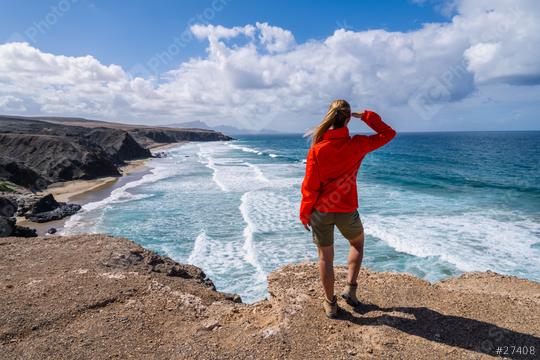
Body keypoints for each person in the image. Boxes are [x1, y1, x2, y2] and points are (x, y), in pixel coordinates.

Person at [300, 99, 396, 318]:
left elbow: (310, 186)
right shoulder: (357, 144)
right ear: (347, 118)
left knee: (325, 258)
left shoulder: (317, 149)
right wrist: (367, 116)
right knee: (357, 244)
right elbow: (388, 134)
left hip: (321, 211)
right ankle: (350, 290)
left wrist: (305, 213)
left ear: (330, 117)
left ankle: (330, 304)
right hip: (346, 209)